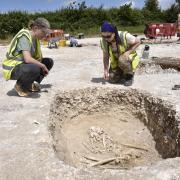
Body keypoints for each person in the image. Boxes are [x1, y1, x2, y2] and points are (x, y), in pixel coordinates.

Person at [2, 17, 54, 97]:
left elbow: (37, 58)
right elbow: (28, 59)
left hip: (22, 65)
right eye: (43, 32)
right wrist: (42, 66)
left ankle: (29, 84)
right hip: (12, 68)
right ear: (36, 28)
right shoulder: (24, 36)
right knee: (36, 67)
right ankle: (20, 86)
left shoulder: (35, 39)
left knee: (48, 62)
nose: (44, 35)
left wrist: (43, 64)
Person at [100, 21, 141, 86]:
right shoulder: (104, 41)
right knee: (112, 79)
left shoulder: (124, 36)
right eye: (103, 36)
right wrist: (106, 70)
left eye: (108, 36)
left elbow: (138, 41)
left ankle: (129, 76)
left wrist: (128, 52)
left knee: (122, 59)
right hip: (117, 61)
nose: (106, 39)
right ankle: (121, 73)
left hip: (126, 58)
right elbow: (106, 56)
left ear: (114, 33)